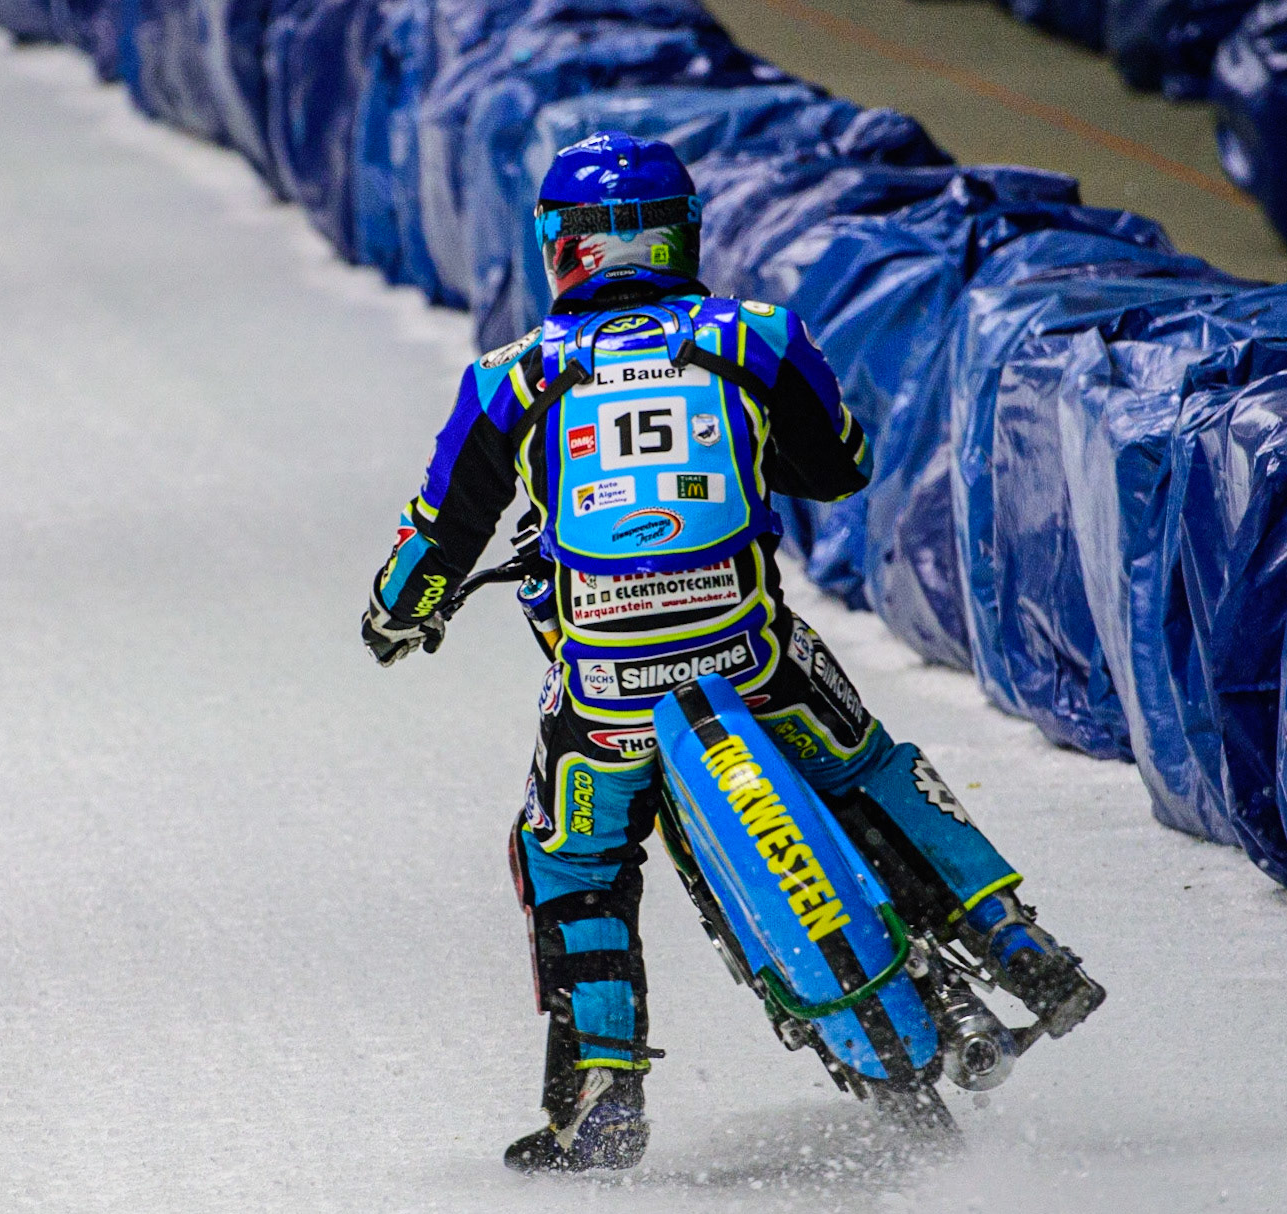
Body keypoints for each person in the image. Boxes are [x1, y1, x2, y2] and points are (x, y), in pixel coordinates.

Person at [362, 132, 1102, 1173]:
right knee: (867, 764)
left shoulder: (508, 378)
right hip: (752, 659)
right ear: (684, 235)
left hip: (610, 696)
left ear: (555, 247)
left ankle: (600, 1096)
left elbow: (438, 532)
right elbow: (839, 463)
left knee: (569, 858)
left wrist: (396, 614)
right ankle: (1014, 938)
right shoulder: (756, 334)